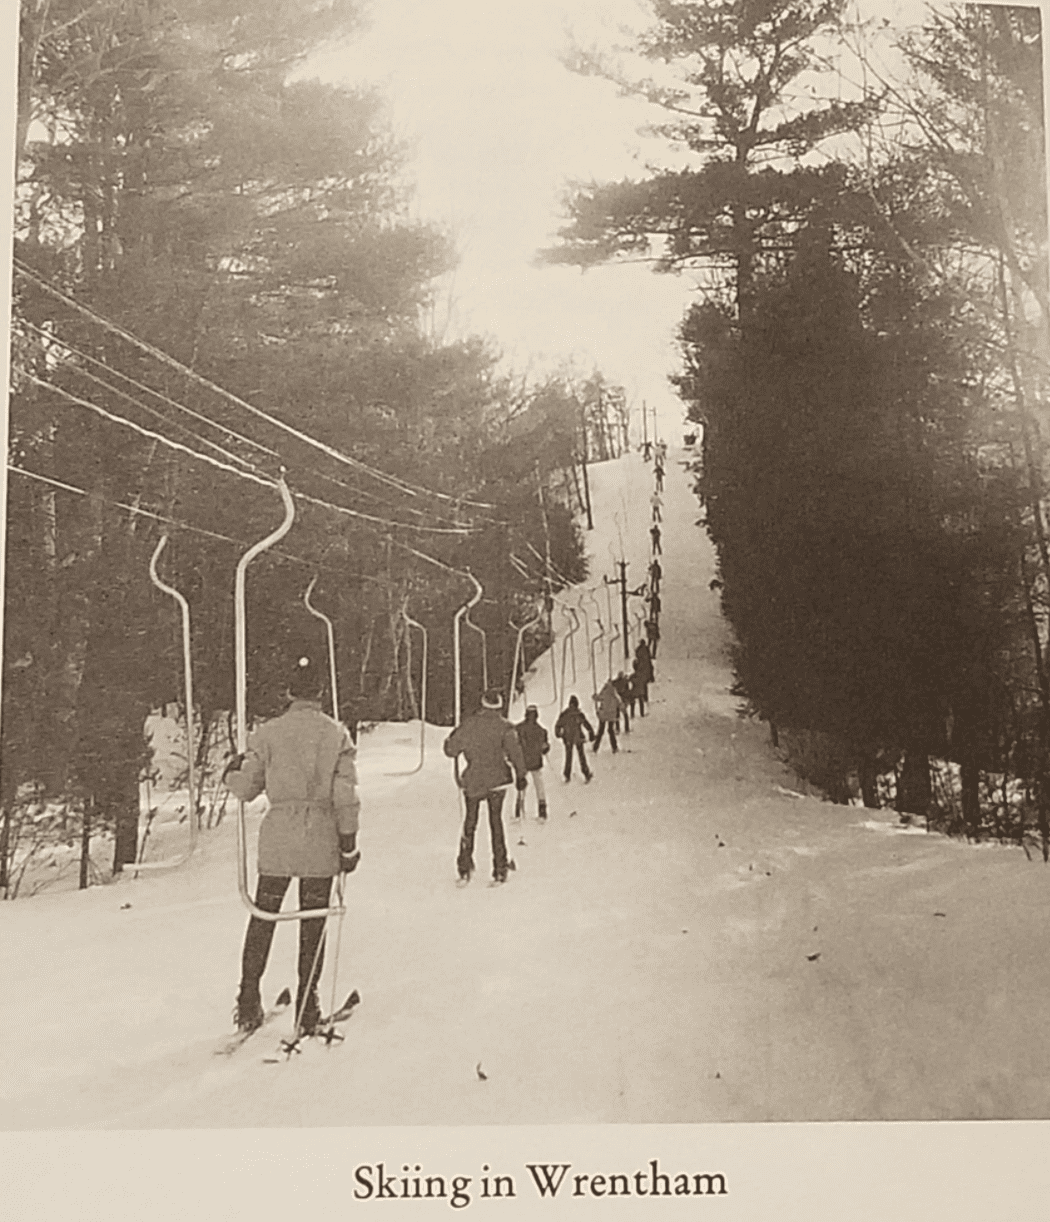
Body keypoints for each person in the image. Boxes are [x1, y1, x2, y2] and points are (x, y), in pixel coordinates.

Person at [224, 655, 361, 1037]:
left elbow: (247, 788)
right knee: (312, 920)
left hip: (279, 837)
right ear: (320, 693)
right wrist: (348, 844)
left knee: (264, 914)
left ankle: (248, 997)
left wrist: (230, 774)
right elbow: (345, 796)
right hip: (320, 836)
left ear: (289, 692)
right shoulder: (336, 735)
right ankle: (307, 1001)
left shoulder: (267, 734)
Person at [443, 688, 527, 885]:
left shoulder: (469, 724)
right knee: (496, 823)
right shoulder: (505, 727)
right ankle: (499, 868)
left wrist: (451, 739)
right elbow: (515, 753)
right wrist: (521, 775)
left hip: (473, 780)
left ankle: (464, 866)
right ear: (499, 705)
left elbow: (451, 750)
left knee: (470, 823)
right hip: (497, 781)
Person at [515, 704, 551, 820]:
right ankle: (542, 810)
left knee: (522, 786)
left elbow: (514, 744)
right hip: (536, 762)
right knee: (539, 785)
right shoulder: (542, 731)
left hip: (523, 762)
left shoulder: (518, 728)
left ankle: (518, 811)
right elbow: (545, 748)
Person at [554, 695, 594, 782]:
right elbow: (586, 724)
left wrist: (558, 734)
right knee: (581, 756)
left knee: (568, 757)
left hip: (567, 738)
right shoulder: (579, 714)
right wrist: (591, 733)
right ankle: (586, 772)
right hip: (578, 737)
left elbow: (558, 725)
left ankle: (567, 774)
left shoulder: (564, 714)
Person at [592, 678, 623, 753]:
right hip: (612, 714)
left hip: (604, 714)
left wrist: (594, 697)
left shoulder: (605, 691)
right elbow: (619, 702)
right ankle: (614, 747)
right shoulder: (614, 693)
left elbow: (599, 698)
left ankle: (596, 747)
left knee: (601, 731)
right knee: (611, 730)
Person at [632, 641, 654, 715]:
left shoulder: (639, 651)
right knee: (644, 686)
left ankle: (633, 712)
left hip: (641, 673)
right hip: (645, 672)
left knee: (641, 686)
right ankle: (646, 697)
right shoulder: (646, 651)